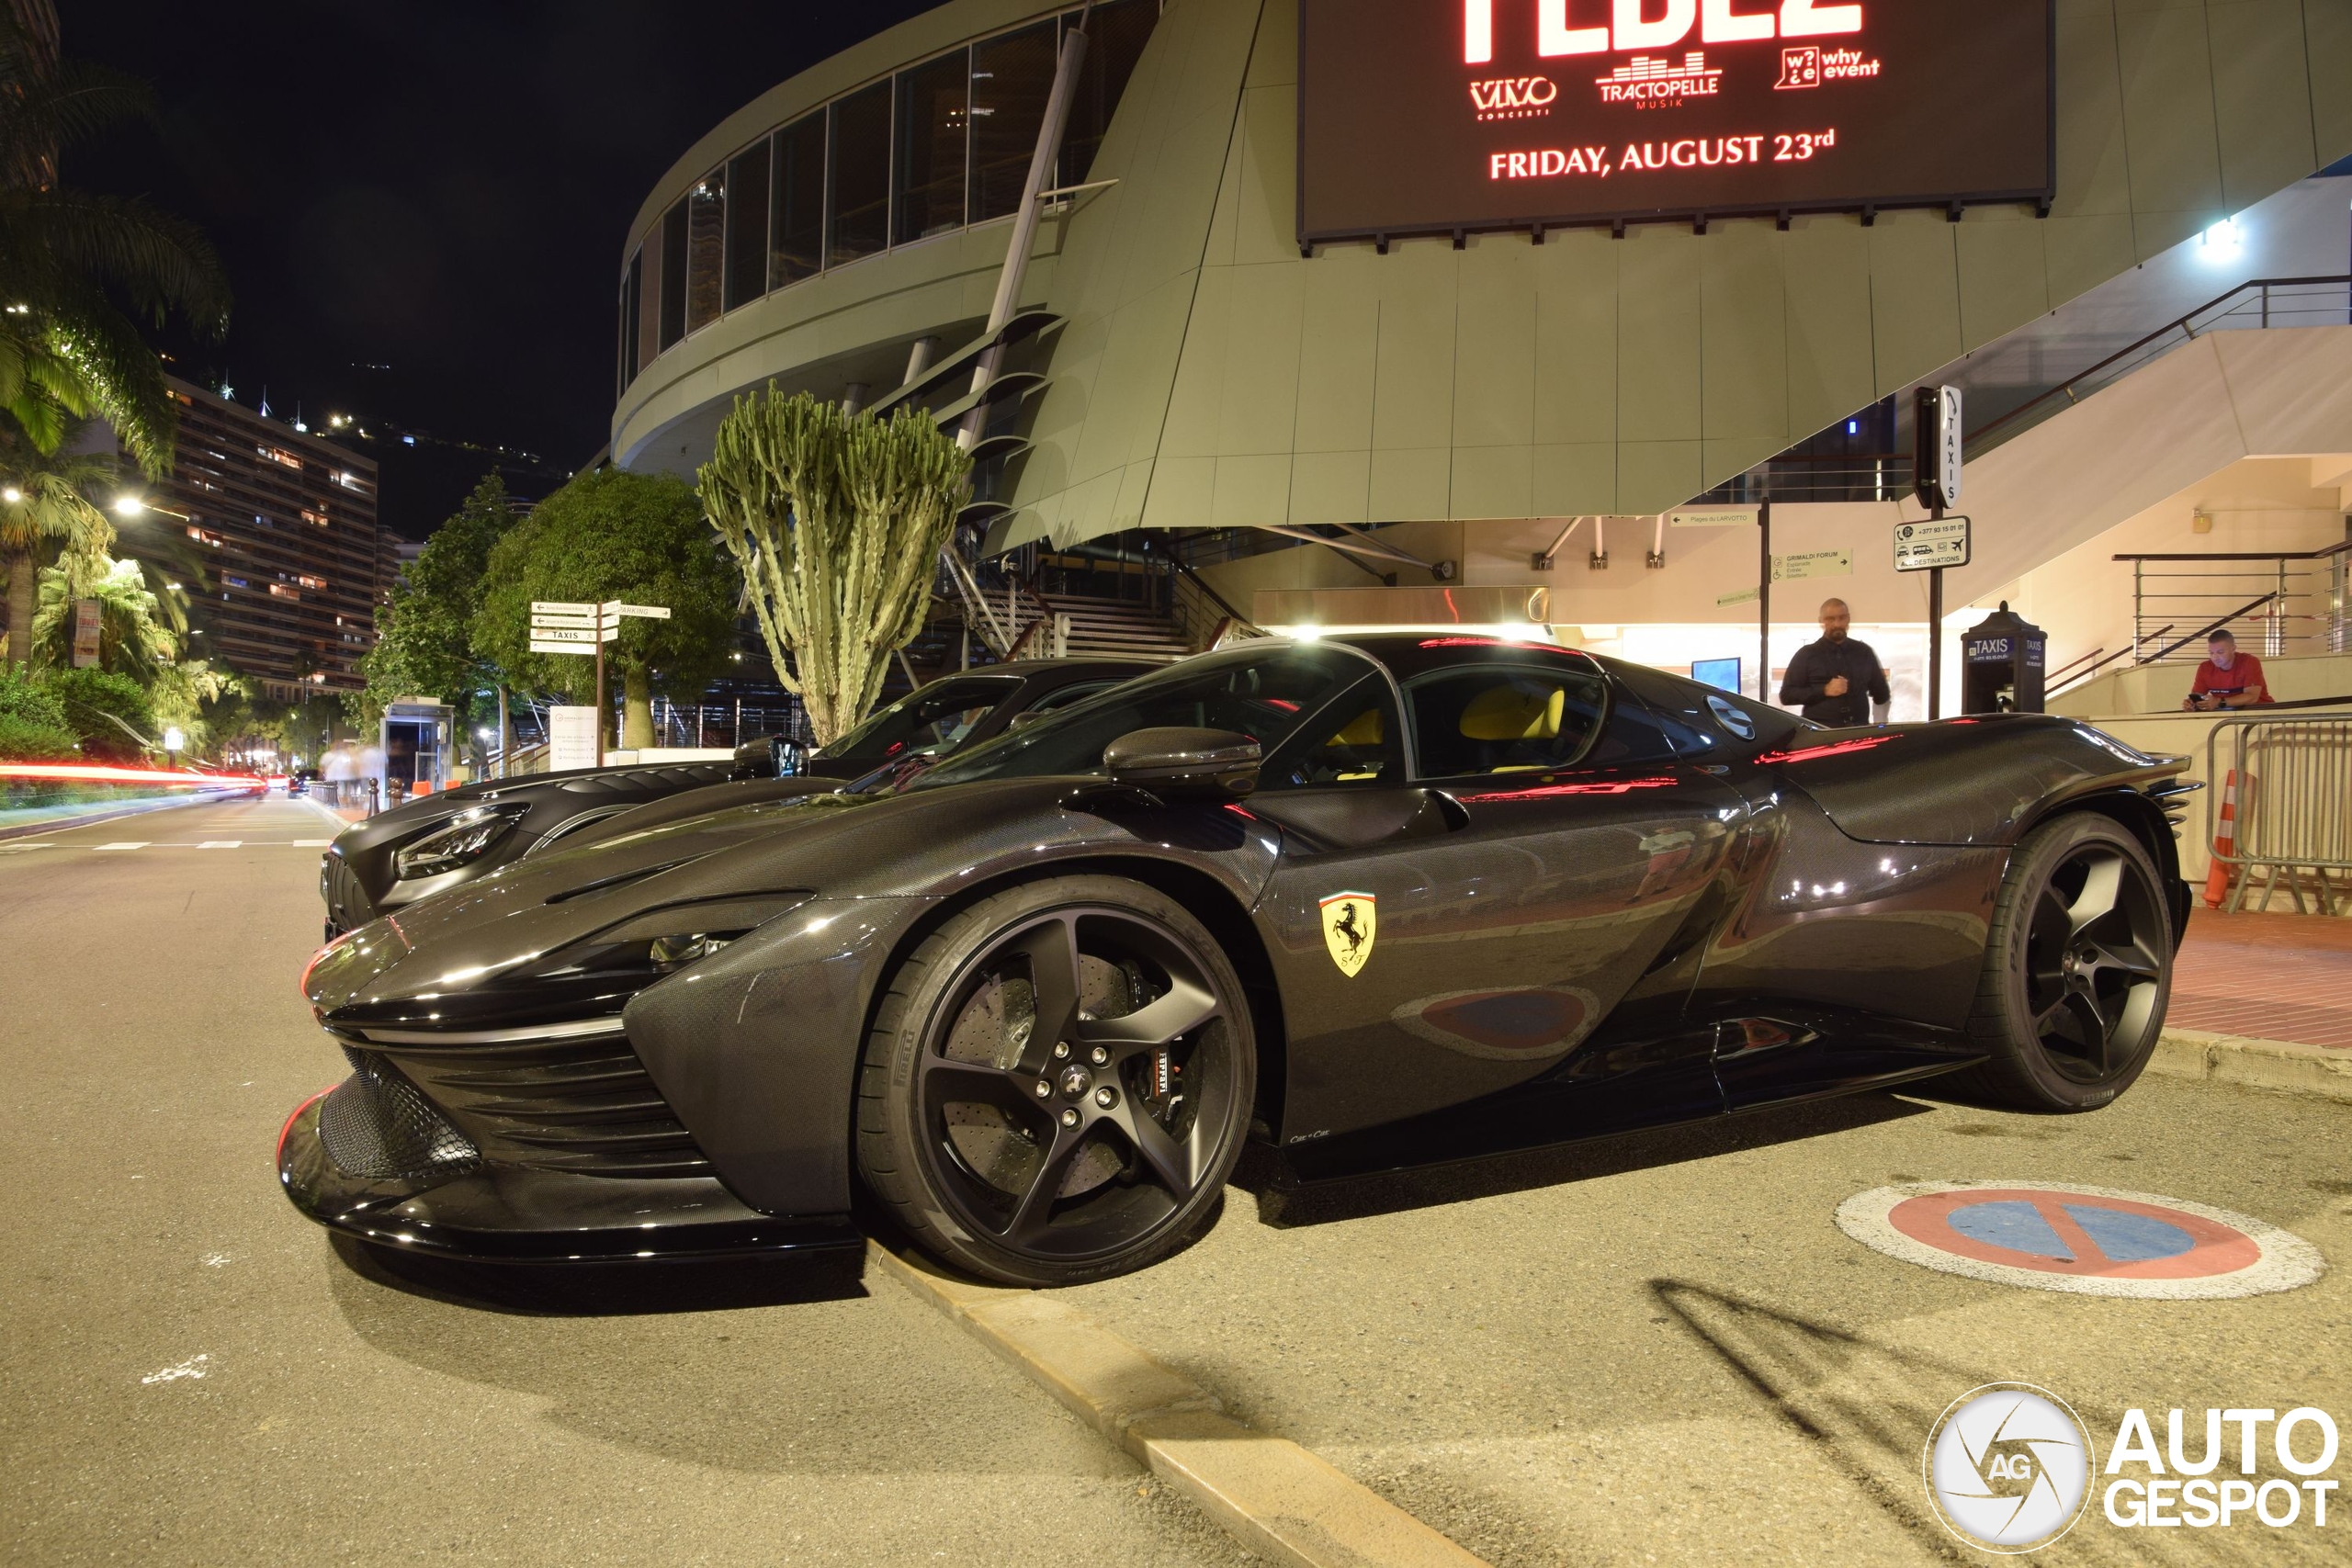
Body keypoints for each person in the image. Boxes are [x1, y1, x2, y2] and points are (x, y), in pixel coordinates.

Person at [1780, 598, 1891, 727]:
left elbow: (1881, 694)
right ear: (1821, 621)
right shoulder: (1806, 654)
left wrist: (1880, 723)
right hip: (1820, 734)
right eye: (1830, 619)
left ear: (1848, 618)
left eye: (1841, 618)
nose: (1837, 624)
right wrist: (1824, 690)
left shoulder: (1864, 652)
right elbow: (1786, 696)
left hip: (1858, 733)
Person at [2183, 629, 2271, 711]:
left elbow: (2252, 697)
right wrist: (2191, 704)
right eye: (2211, 653)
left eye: (2220, 652)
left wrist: (2219, 702)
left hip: (2260, 713)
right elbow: (2197, 696)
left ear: (2233, 649)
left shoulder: (2249, 662)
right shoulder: (2205, 668)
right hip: (2227, 714)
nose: (2215, 657)